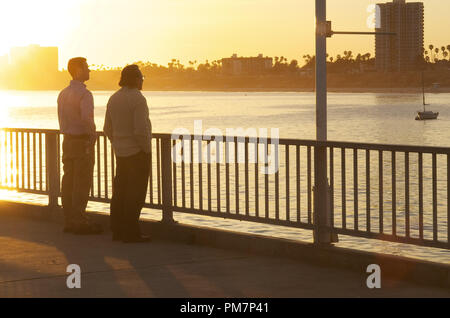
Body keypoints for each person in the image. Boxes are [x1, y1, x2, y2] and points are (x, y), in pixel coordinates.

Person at [103, 64, 152, 243]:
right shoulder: (138, 99)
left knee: (120, 192)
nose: (142, 81)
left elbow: (107, 128)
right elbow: (140, 129)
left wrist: (117, 143)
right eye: (141, 78)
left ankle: (117, 230)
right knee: (136, 194)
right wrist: (145, 149)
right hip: (137, 153)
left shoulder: (114, 98)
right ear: (136, 79)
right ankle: (131, 232)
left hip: (120, 153)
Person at [57, 57, 102, 235]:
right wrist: (93, 135)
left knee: (68, 181)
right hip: (82, 140)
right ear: (77, 70)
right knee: (82, 182)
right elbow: (86, 118)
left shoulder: (63, 93)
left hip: (67, 140)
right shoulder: (85, 94)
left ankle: (69, 220)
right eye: (86, 68)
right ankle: (80, 221)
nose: (89, 70)